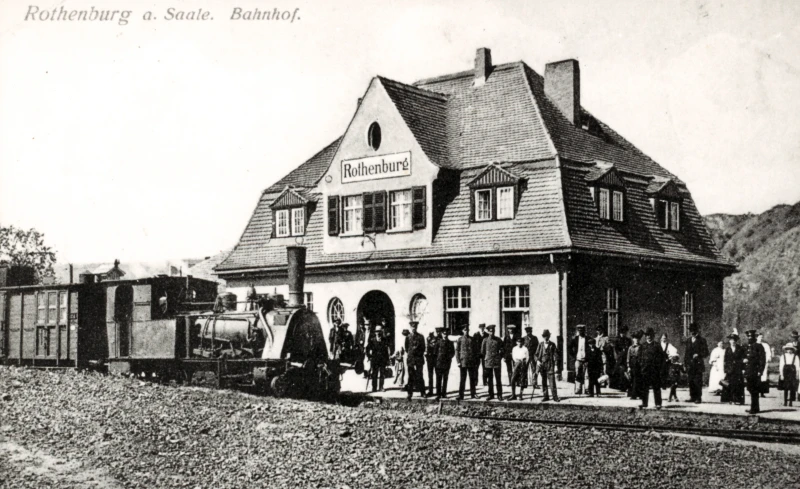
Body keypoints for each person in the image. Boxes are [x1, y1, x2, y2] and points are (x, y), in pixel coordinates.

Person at [638, 328, 666, 410]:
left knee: (656, 387)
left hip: (654, 370)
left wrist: (659, 368)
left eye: (650, 335)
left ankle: (658, 403)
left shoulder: (657, 345)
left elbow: (662, 358)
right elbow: (639, 357)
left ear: (653, 336)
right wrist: (642, 365)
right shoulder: (643, 346)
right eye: (647, 335)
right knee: (644, 387)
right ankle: (644, 403)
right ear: (645, 336)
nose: (648, 337)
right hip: (645, 370)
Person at [684, 323, 709, 403]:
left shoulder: (702, 340)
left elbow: (706, 352)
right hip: (690, 364)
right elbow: (686, 353)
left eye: (694, 331)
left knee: (698, 381)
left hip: (698, 364)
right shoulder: (688, 340)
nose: (692, 333)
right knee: (691, 381)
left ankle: (698, 398)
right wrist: (685, 364)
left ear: (697, 331)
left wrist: (699, 354)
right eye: (691, 331)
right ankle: (692, 397)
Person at [744, 329, 766, 414]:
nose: (750, 338)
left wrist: (760, 370)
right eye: (748, 337)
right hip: (748, 371)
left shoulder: (759, 346)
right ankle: (753, 407)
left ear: (755, 338)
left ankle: (755, 408)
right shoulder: (746, 346)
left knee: (754, 390)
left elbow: (762, 360)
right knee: (750, 389)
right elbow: (743, 357)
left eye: (751, 337)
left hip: (755, 371)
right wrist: (743, 361)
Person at [535, 329, 560, 402]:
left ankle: (555, 396)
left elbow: (556, 355)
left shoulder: (552, 344)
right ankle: (545, 396)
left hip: (550, 365)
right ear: (543, 337)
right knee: (544, 381)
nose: (546, 337)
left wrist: (556, 365)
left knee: (552, 382)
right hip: (542, 365)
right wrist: (538, 361)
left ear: (549, 336)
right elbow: (536, 355)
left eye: (547, 336)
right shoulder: (540, 344)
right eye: (544, 336)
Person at [481, 325, 505, 401]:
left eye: (493, 331)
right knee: (490, 379)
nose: (492, 333)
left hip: (497, 362)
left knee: (498, 379)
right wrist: (486, 358)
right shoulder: (485, 340)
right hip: (488, 362)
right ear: (488, 332)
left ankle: (499, 395)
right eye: (491, 331)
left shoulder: (498, 340)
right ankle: (491, 395)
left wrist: (499, 357)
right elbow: (482, 351)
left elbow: (503, 349)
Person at [366, 325, 392, 392]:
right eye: (377, 331)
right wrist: (369, 356)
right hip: (374, 359)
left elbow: (386, 350)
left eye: (379, 331)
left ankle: (381, 387)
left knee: (382, 374)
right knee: (374, 374)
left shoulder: (384, 340)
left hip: (382, 359)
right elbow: (367, 349)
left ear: (381, 332)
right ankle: (374, 387)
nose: (378, 333)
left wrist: (387, 359)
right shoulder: (372, 340)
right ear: (375, 332)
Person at [404, 321, 427, 400]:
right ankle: (409, 393)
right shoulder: (408, 337)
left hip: (418, 359)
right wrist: (411, 354)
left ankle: (423, 392)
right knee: (410, 377)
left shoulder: (421, 337)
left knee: (420, 376)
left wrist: (417, 353)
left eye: (415, 327)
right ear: (410, 328)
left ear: (416, 327)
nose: (413, 328)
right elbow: (406, 348)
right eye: (412, 327)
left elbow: (423, 348)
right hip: (411, 360)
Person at [722, 332, 746, 405]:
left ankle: (738, 400)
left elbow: (743, 359)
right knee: (730, 385)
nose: (732, 342)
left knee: (738, 384)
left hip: (738, 369)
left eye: (734, 340)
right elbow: (725, 360)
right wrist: (725, 370)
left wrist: (743, 369)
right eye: (731, 340)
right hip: (730, 370)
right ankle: (730, 399)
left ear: (736, 341)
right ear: (729, 341)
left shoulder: (740, 349)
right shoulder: (727, 349)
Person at [456, 324, 478, 400]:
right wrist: (458, 361)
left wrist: (475, 361)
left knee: (472, 379)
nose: (466, 331)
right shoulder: (460, 339)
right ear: (462, 331)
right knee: (462, 379)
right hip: (463, 362)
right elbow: (457, 351)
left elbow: (475, 350)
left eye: (467, 330)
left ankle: (473, 394)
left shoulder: (472, 339)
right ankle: (461, 395)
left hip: (471, 362)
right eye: (465, 330)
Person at [434, 327, 455, 399]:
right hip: (439, 363)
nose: (445, 335)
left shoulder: (450, 343)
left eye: (446, 334)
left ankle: (444, 393)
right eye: (444, 334)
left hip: (446, 363)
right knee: (438, 379)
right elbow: (435, 353)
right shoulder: (438, 342)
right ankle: (438, 394)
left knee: (445, 379)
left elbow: (452, 353)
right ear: (441, 334)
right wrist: (437, 361)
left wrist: (448, 358)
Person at [568, 324, 588, 395]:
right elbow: (569, 347)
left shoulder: (588, 338)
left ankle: (587, 389)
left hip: (586, 360)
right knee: (578, 375)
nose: (580, 332)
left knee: (586, 375)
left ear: (584, 331)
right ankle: (578, 389)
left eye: (582, 331)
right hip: (578, 360)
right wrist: (574, 356)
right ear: (578, 331)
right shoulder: (575, 339)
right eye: (579, 331)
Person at [610, 326, 632, 392]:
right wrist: (620, 354)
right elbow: (616, 349)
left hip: (626, 357)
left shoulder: (628, 340)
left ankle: (626, 386)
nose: (623, 334)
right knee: (619, 372)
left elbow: (629, 348)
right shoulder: (617, 340)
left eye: (624, 333)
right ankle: (619, 386)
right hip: (620, 357)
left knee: (625, 372)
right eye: (622, 333)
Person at [779, 343, 799, 407]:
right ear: (786, 350)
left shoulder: (795, 357)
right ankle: (785, 401)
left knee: (792, 387)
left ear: (792, 350)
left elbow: (797, 366)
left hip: (792, 372)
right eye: (788, 349)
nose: (789, 350)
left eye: (791, 349)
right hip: (786, 372)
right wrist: (781, 374)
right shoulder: (783, 356)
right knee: (786, 387)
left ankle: (790, 402)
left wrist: (797, 374)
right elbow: (781, 366)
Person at [627, 330, 643, 400]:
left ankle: (637, 395)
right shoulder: (630, 347)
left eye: (638, 339)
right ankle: (633, 394)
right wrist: (628, 366)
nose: (636, 340)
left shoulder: (641, 347)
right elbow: (628, 357)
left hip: (639, 364)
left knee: (638, 379)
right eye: (635, 339)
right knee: (633, 379)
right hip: (632, 364)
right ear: (633, 339)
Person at [523, 327, 539, 391]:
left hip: (533, 356)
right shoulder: (524, 338)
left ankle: (534, 383)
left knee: (534, 370)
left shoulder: (535, 338)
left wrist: (536, 356)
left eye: (530, 331)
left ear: (531, 331)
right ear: (526, 332)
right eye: (527, 332)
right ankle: (524, 383)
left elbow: (537, 347)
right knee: (524, 369)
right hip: (526, 356)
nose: (529, 333)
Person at [757, 333, 772, 398]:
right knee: (756, 377)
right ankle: (756, 392)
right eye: (759, 337)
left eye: (762, 337)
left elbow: (768, 354)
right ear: (757, 337)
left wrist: (768, 359)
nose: (761, 338)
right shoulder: (755, 345)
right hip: (756, 363)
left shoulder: (765, 345)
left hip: (764, 363)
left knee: (763, 377)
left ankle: (762, 392)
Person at [425, 331, 438, 397]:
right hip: (429, 360)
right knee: (430, 376)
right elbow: (426, 352)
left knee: (438, 375)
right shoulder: (427, 343)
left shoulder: (437, 341)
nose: (433, 343)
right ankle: (430, 391)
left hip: (436, 360)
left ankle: (438, 391)